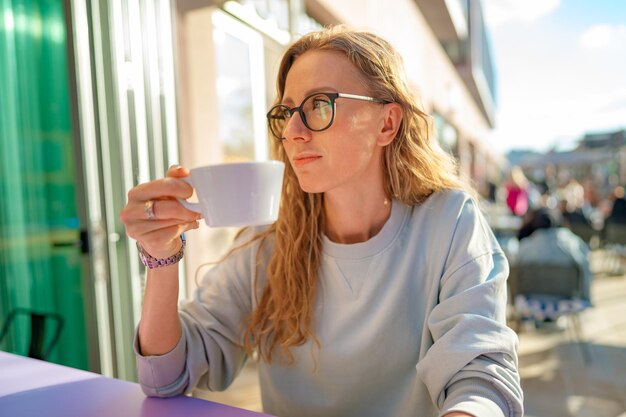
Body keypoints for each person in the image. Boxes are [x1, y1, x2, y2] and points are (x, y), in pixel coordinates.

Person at [120, 26, 523, 417]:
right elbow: (166, 379)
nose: (292, 132)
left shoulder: (449, 222)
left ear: (387, 123)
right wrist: (161, 257)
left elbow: (482, 379)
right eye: (287, 111)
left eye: (318, 105)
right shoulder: (268, 239)